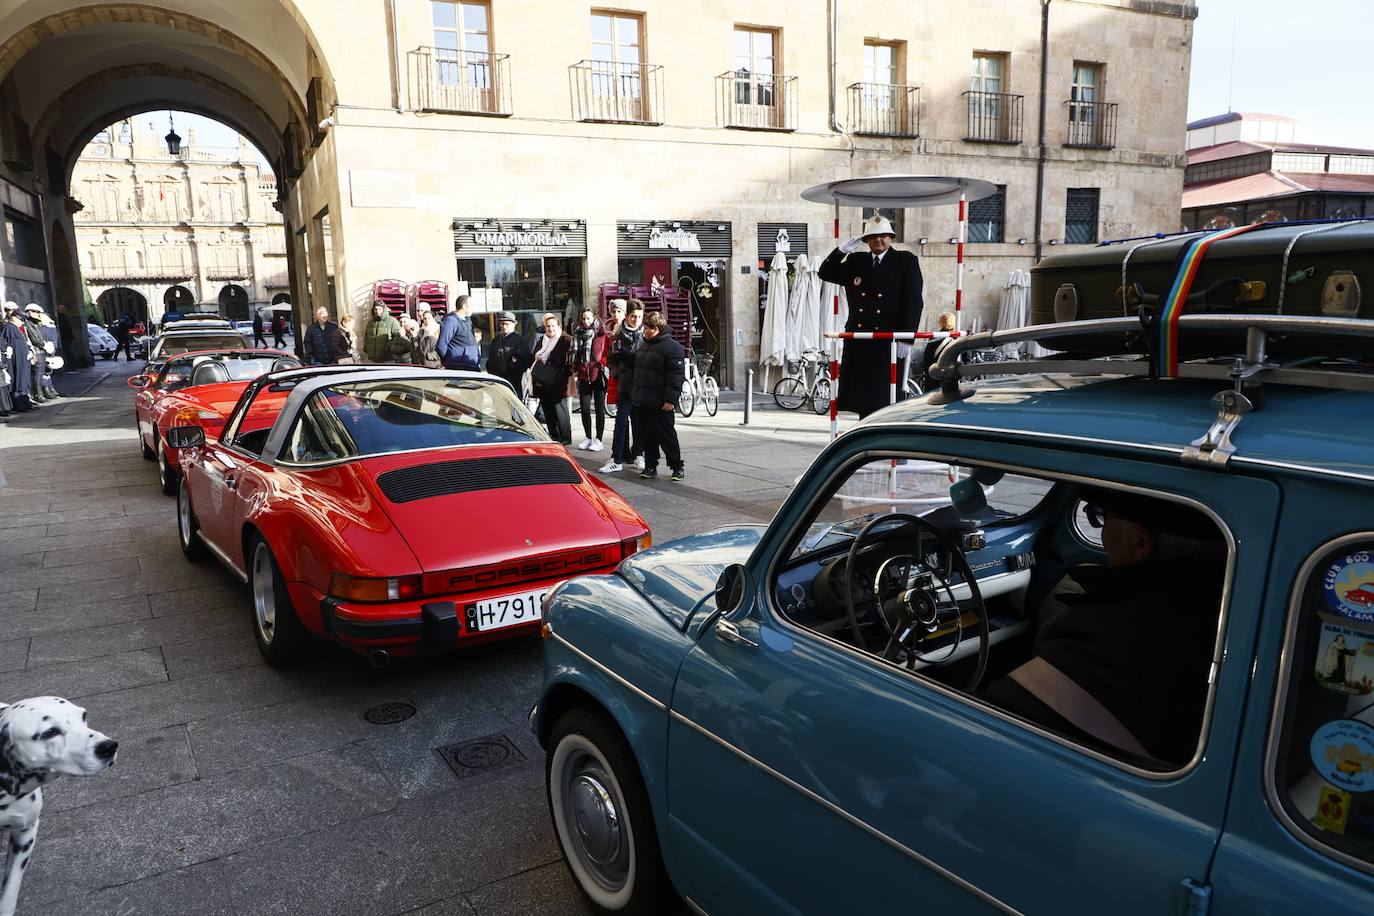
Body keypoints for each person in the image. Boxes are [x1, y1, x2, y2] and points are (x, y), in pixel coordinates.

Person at [981, 489, 1225, 767]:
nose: (1102, 530)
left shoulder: (1112, 636)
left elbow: (985, 732)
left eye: (1102, 517)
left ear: (1139, 541)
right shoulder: (1221, 608)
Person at [817, 214, 924, 418]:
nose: (879, 240)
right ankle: (865, 430)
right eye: (873, 236)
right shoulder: (857, 261)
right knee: (862, 397)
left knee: (886, 396)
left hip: (888, 343)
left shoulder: (905, 261)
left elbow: (913, 302)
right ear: (866, 241)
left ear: (891, 238)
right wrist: (842, 251)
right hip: (860, 340)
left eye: (884, 236)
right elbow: (826, 272)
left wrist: (906, 338)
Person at [631, 311, 686, 481]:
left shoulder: (673, 348)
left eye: (650, 328)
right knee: (647, 436)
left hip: (661, 402)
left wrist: (670, 400)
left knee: (666, 435)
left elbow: (676, 377)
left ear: (659, 328)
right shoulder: (643, 345)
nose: (646, 331)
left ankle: (677, 467)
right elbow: (638, 373)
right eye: (645, 327)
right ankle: (650, 466)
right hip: (643, 401)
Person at [601, 299, 644, 473]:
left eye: (639, 316)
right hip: (625, 385)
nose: (636, 319)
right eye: (633, 316)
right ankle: (617, 458)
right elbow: (611, 358)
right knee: (620, 422)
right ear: (627, 316)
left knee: (638, 422)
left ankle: (638, 454)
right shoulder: (618, 334)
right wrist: (616, 373)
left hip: (641, 386)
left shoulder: (645, 333)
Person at [530, 312, 572, 444]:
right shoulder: (542, 340)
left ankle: (565, 437)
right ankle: (553, 435)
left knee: (560, 410)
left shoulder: (564, 340)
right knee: (548, 411)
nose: (550, 328)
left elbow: (566, 360)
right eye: (548, 326)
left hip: (558, 381)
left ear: (558, 326)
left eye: (553, 326)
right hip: (543, 382)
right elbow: (534, 357)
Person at [571, 308, 608, 452]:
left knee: (599, 409)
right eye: (584, 318)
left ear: (594, 318)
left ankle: (599, 439)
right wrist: (574, 367)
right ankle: (588, 437)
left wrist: (602, 364)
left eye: (589, 318)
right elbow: (574, 354)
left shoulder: (600, 333)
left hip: (597, 375)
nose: (586, 321)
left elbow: (605, 352)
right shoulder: (577, 333)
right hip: (583, 376)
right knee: (585, 409)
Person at [485, 311, 532, 391]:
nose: (504, 326)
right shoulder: (496, 340)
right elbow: (491, 359)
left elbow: (525, 361)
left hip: (513, 381)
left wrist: (512, 367)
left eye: (507, 324)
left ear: (514, 324)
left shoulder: (520, 341)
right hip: (497, 380)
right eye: (502, 324)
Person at [436, 295, 481, 369]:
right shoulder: (451, 321)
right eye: (471, 305)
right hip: (459, 368)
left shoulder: (468, 321)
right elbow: (441, 346)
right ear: (464, 306)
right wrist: (450, 360)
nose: (473, 308)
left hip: (472, 365)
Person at [3, 305, 34, 412]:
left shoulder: (15, 328)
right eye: (21, 319)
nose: (23, 322)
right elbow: (14, 347)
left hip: (22, 359)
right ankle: (19, 405)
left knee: (23, 381)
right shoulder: (10, 328)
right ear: (14, 318)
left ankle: (25, 403)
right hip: (16, 361)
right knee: (18, 381)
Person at [917, 311, 958, 392]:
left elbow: (927, 358)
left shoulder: (934, 337)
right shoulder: (956, 338)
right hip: (949, 375)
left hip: (933, 374)